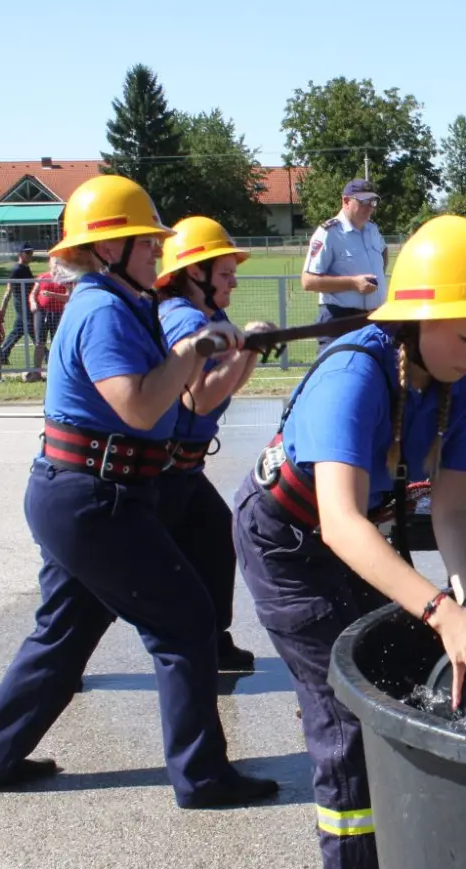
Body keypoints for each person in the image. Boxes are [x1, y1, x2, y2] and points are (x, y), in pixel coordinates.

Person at [233, 214, 466, 869]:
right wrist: (439, 611)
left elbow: (458, 503)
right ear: (417, 318)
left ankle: (402, 864)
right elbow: (338, 522)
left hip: (351, 535)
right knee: (343, 709)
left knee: (391, 683)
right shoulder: (355, 372)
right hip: (290, 541)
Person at [0, 174, 279, 810]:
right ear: (109, 249)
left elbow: (170, 395)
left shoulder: (119, 302)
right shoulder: (103, 308)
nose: (159, 256)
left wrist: (206, 350)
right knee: (184, 622)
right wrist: (191, 349)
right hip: (94, 499)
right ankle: (203, 779)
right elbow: (136, 406)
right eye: (147, 245)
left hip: (86, 495)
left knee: (65, 631)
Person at [154, 216, 263, 673]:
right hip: (163, 469)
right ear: (192, 273)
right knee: (107, 583)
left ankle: (214, 641)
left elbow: (229, 385)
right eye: (224, 273)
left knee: (216, 539)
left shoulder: (210, 316)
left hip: (183, 468)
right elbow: (198, 399)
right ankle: (62, 658)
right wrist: (242, 351)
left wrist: (250, 350)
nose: (233, 281)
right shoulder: (183, 318)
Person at [301, 178, 387, 351]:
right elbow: (308, 281)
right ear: (346, 201)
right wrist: (353, 283)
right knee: (336, 374)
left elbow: (383, 253)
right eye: (363, 201)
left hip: (373, 319)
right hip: (339, 321)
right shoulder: (328, 232)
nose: (369, 206)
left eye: (373, 201)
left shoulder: (372, 229)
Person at [26, 262, 72, 382]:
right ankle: (36, 372)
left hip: (57, 313)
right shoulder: (42, 277)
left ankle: (58, 372)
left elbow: (69, 296)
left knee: (57, 343)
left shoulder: (64, 278)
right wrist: (33, 303)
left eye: (58, 263)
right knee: (39, 343)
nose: (56, 266)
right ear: (49, 264)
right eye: (54, 263)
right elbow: (33, 294)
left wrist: (53, 295)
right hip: (42, 312)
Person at [0, 244, 36, 367]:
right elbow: (9, 288)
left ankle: (2, 355)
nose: (31, 255)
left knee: (19, 330)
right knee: (31, 328)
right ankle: (46, 355)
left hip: (28, 302)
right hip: (21, 303)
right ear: (20, 254)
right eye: (28, 253)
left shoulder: (26, 268)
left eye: (31, 253)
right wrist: (3, 309)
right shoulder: (17, 270)